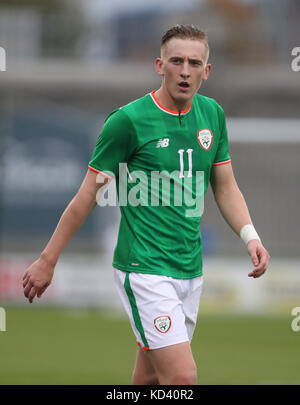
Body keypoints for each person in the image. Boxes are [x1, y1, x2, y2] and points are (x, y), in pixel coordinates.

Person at [22, 24, 270, 385]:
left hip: (189, 269)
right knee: (182, 379)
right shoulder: (128, 122)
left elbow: (226, 187)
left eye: (194, 63)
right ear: (159, 65)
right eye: (177, 61)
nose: (185, 71)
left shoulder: (213, 115)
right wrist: (48, 260)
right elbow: (86, 197)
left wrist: (251, 236)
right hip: (144, 269)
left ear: (207, 70)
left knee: (150, 380)